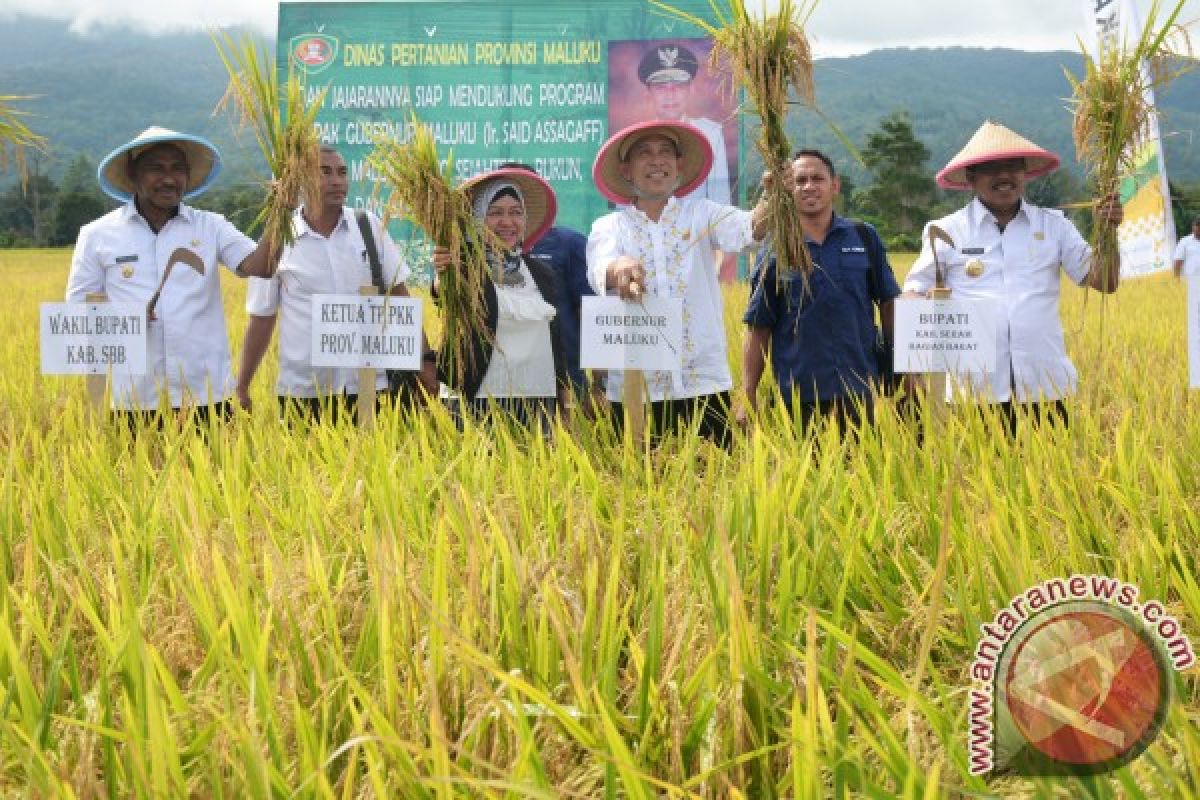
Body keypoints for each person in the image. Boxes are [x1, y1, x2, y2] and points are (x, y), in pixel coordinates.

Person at [904, 120, 1123, 431]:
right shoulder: (945, 231)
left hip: (1045, 388)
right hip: (972, 392)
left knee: (1053, 478)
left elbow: (1105, 281)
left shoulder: (1054, 226)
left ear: (1025, 173)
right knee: (974, 479)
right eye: (992, 168)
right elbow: (913, 291)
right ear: (971, 177)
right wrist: (915, 367)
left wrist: (1107, 232)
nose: (1004, 175)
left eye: (1012, 166)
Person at [65, 126, 279, 426]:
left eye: (178, 169)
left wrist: (280, 212)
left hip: (207, 399)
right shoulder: (97, 235)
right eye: (156, 168)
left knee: (218, 474)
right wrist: (127, 320)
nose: (169, 178)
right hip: (136, 402)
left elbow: (261, 266)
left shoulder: (211, 227)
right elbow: (77, 317)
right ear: (133, 175)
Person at [588, 120, 767, 447]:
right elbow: (601, 265)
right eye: (644, 153)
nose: (657, 160)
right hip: (635, 387)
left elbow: (750, 230)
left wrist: (774, 195)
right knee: (638, 485)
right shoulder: (610, 226)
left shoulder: (702, 214)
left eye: (665, 152)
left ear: (680, 165)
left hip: (701, 384)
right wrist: (621, 267)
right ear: (626, 170)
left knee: (713, 483)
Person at [236, 145, 437, 422]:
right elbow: (262, 318)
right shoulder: (278, 240)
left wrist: (425, 361)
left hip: (370, 384)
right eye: (325, 172)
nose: (337, 181)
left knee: (376, 459)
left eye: (342, 172)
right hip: (305, 391)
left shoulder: (368, 226)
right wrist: (242, 385)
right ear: (301, 181)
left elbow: (399, 296)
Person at [741, 149, 901, 434]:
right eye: (800, 180)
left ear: (834, 185)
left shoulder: (863, 236)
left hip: (860, 388)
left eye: (818, 178)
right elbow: (759, 327)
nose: (809, 186)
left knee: (866, 473)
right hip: (798, 394)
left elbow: (889, 304)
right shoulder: (776, 248)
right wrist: (748, 393)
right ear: (788, 189)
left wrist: (906, 370)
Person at [431, 167, 570, 429]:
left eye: (515, 212)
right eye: (495, 212)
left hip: (538, 403)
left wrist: (564, 401)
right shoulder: (462, 266)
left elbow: (555, 343)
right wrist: (442, 275)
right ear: (476, 218)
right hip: (475, 403)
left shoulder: (541, 273)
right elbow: (443, 293)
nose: (507, 222)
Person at [497, 161, 597, 405]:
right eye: (499, 209)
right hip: (492, 383)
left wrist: (598, 383)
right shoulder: (471, 252)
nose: (508, 218)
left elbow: (589, 312)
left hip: (563, 380)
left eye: (518, 207)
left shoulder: (568, 243)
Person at [638, 43, 731, 206]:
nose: (670, 95)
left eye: (679, 86)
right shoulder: (635, 138)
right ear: (648, 93)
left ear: (691, 89)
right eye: (661, 87)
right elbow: (626, 209)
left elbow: (722, 203)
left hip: (699, 231)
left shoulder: (710, 134)